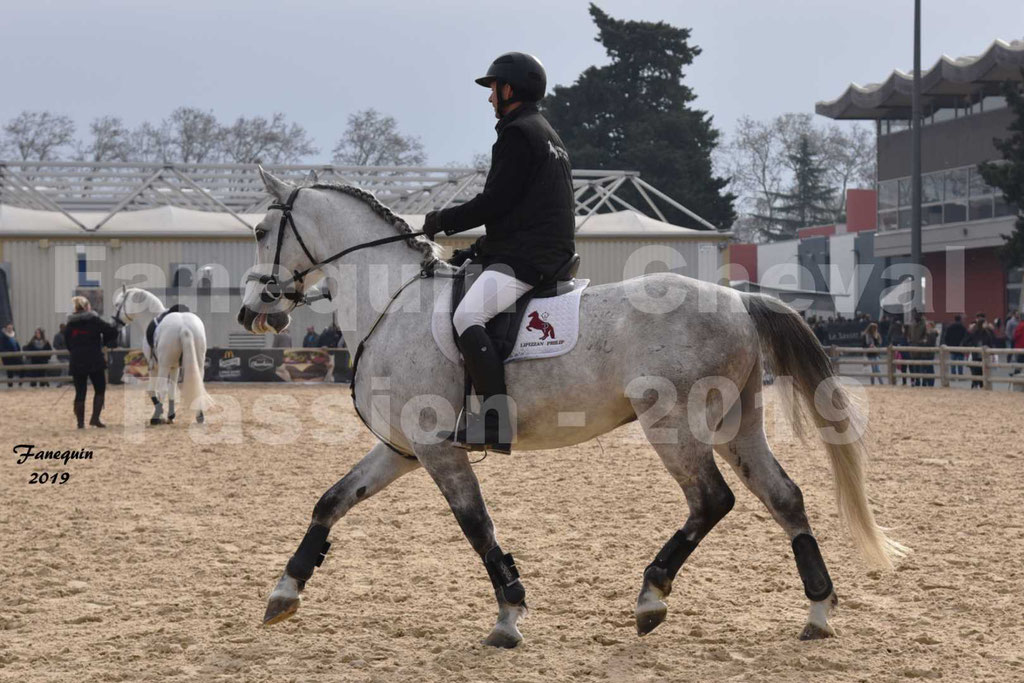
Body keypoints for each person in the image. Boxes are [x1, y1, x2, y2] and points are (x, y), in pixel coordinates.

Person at [421, 52, 575, 453]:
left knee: (467, 315)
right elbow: (518, 211)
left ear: (509, 89)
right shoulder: (547, 133)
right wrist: (475, 251)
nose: (489, 98)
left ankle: (494, 421)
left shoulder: (517, 133)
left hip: (530, 258)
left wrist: (442, 219)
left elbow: (493, 202)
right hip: (538, 248)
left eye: (493, 89)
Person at [65, 296, 120, 427]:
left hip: (77, 361)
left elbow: (67, 343)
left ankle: (80, 423)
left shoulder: (70, 324)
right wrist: (107, 340)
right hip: (94, 360)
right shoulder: (94, 320)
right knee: (100, 389)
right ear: (86, 307)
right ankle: (95, 418)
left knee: (80, 392)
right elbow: (111, 331)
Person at [963, 312, 994, 389]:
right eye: (984, 323)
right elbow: (965, 342)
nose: (986, 324)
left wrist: (992, 353)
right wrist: (973, 347)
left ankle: (982, 385)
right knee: (976, 371)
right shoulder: (974, 332)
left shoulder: (987, 332)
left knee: (983, 371)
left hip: (985, 356)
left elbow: (991, 342)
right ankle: (975, 384)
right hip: (976, 355)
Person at [907, 311, 928, 386]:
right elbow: (909, 334)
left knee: (922, 366)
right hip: (913, 347)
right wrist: (909, 341)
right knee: (914, 366)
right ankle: (917, 380)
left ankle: (924, 381)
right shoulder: (912, 324)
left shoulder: (924, 324)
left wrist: (923, 341)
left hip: (921, 348)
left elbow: (926, 335)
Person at [1, 323, 24, 387]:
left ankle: (20, 382)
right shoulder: (3, 337)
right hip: (8, 358)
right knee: (10, 373)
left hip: (16, 356)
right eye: (9, 328)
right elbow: (1, 348)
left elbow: (17, 345)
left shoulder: (13, 335)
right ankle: (10, 386)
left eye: (11, 328)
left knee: (23, 367)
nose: (10, 329)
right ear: (6, 328)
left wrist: (19, 353)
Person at [887, 320, 908, 385]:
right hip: (902, 345)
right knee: (903, 365)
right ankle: (904, 381)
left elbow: (889, 335)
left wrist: (890, 341)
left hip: (894, 343)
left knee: (893, 363)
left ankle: (894, 380)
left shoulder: (892, 326)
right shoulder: (902, 326)